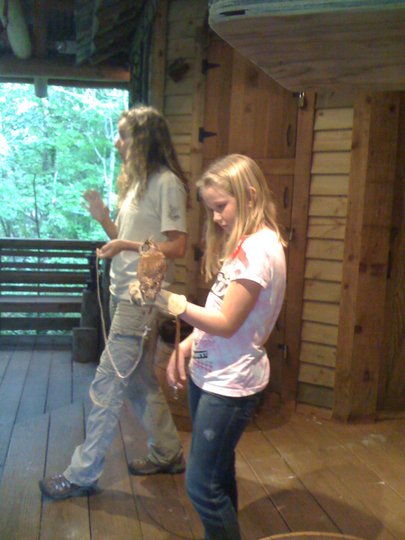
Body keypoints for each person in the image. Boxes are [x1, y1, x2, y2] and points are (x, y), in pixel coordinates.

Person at [39, 105, 189, 500]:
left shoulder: (167, 183)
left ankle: (82, 473)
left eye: (123, 135)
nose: (116, 141)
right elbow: (126, 241)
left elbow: (177, 246)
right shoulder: (137, 183)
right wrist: (105, 219)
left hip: (146, 289)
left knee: (108, 381)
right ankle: (168, 452)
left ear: (143, 138)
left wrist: (124, 242)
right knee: (138, 380)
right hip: (124, 289)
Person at [152, 154, 286, 540]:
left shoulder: (260, 251)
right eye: (211, 209)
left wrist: (172, 303)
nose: (215, 218)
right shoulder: (246, 243)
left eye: (221, 206)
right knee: (218, 474)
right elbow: (218, 309)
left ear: (249, 195)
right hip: (211, 374)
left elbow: (227, 324)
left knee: (201, 486)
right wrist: (188, 345)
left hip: (231, 385)